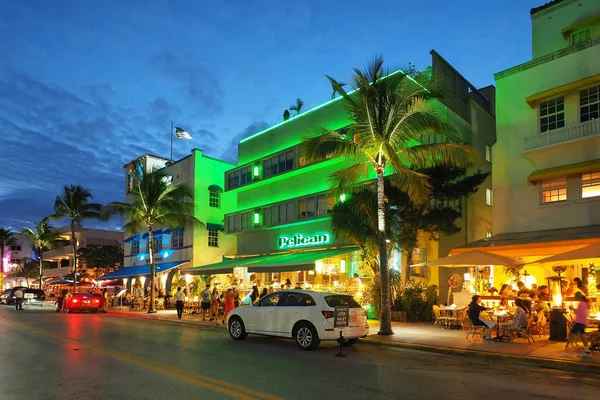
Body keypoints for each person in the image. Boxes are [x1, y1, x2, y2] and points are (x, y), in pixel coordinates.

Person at [566, 292, 592, 357]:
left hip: (580, 322)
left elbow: (582, 313)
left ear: (578, 297)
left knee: (574, 334)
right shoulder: (585, 303)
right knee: (580, 335)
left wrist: (574, 310)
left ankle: (568, 346)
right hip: (581, 322)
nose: (575, 298)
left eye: (576, 297)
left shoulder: (582, 304)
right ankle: (587, 351)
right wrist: (575, 310)